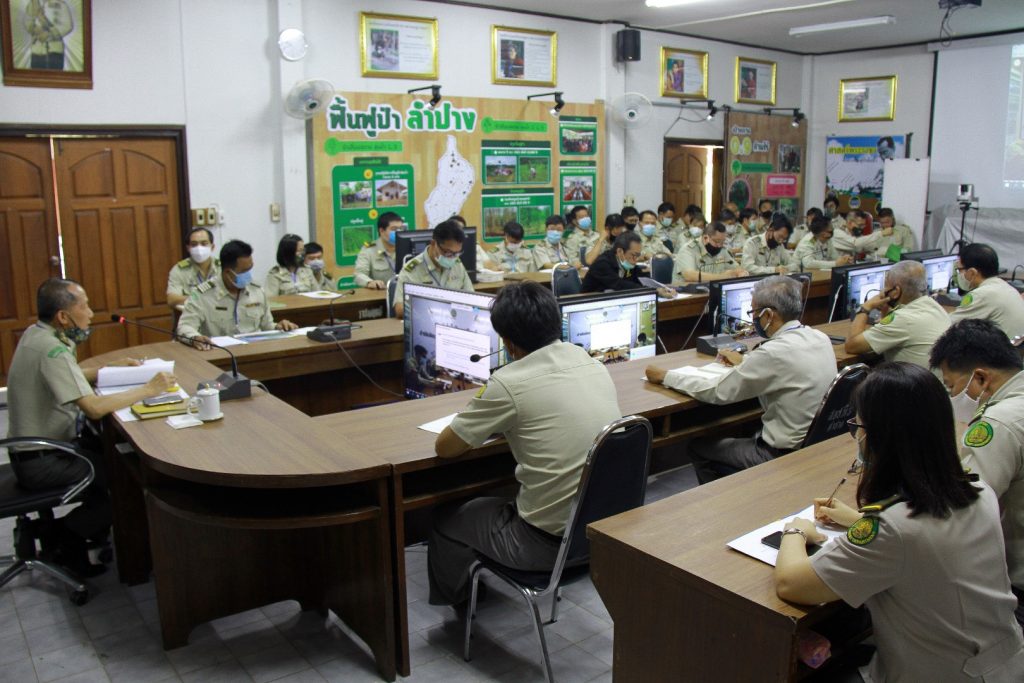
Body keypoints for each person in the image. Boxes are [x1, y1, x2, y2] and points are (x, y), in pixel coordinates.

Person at [775, 362, 1024, 682]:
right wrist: (857, 520)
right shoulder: (978, 491)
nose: (857, 436)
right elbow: (928, 540)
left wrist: (796, 531)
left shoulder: (891, 527)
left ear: (880, 437)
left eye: (858, 426)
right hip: (1003, 664)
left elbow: (791, 584)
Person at [427, 281, 621, 606]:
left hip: (542, 546)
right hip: (601, 533)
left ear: (507, 342)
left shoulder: (508, 383)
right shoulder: (589, 360)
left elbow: (445, 448)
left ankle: (461, 606)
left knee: (444, 517)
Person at [7, 278, 177, 575]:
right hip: (41, 461)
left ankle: (78, 529)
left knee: (108, 457)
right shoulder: (52, 350)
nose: (90, 314)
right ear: (63, 316)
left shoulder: (38, 335)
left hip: (33, 452)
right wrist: (149, 389)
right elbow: (95, 409)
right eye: (84, 307)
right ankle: (63, 537)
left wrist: (106, 370)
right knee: (123, 481)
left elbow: (67, 373)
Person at [646, 276, 835, 483]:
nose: (753, 319)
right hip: (817, 446)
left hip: (781, 455)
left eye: (753, 313)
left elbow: (717, 391)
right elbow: (783, 365)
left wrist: (666, 376)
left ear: (768, 314)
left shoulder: (773, 353)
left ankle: (728, 499)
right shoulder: (820, 338)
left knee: (698, 447)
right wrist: (746, 361)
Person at [931, 319, 1024, 625]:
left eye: (951, 386)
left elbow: (964, 511)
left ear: (981, 377)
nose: (951, 394)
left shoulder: (998, 424)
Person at [177, 239, 298, 347]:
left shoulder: (256, 290)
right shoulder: (202, 295)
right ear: (228, 272)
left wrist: (278, 327)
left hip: (254, 351)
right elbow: (185, 326)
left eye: (250, 269)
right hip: (220, 353)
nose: (248, 275)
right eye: (244, 271)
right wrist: (195, 338)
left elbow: (267, 325)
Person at [845, 260, 950, 369]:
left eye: (885, 286)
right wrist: (885, 309)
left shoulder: (903, 319)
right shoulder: (935, 306)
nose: (883, 291)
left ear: (896, 291)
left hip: (912, 380)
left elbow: (852, 345)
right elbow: (888, 329)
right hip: (933, 378)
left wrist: (865, 307)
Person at [393, 220, 474, 318]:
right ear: (433, 243)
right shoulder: (412, 270)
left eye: (457, 253)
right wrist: (436, 311)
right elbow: (400, 309)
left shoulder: (457, 264)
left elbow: (471, 298)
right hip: (425, 321)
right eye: (448, 252)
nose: (452, 257)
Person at [949, 243, 1024, 340]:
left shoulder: (982, 295)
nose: (958, 274)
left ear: (972, 272)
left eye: (959, 270)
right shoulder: (1005, 286)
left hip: (1002, 348)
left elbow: (948, 325)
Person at [672, 222, 748, 285]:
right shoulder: (688, 250)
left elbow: (736, 268)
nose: (719, 245)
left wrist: (741, 273)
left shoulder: (722, 250)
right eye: (717, 241)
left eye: (722, 242)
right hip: (687, 294)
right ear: (705, 238)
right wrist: (722, 277)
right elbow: (689, 275)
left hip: (710, 292)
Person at [166, 227, 220, 310]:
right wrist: (200, 299)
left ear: (212, 247)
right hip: (191, 314)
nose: (199, 248)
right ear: (188, 248)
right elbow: (172, 299)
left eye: (204, 243)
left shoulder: (222, 267)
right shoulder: (179, 270)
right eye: (194, 244)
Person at [581, 232, 648, 293]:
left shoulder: (627, 264)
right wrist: (645, 289)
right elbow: (619, 284)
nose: (636, 260)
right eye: (634, 255)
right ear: (620, 251)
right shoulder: (602, 263)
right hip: (590, 299)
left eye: (638, 255)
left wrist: (651, 285)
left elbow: (640, 276)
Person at [354, 212, 402, 289]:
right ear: (381, 231)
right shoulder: (368, 250)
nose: (398, 232)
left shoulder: (408, 248)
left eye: (400, 228)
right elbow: (359, 275)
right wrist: (369, 282)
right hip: (380, 293)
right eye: (394, 229)